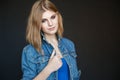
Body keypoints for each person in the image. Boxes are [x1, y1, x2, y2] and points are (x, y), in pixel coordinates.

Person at [21, 0, 81, 80]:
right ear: (37, 24)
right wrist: (48, 69)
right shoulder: (30, 51)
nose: (50, 23)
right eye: (43, 20)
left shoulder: (69, 44)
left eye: (53, 17)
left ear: (58, 16)